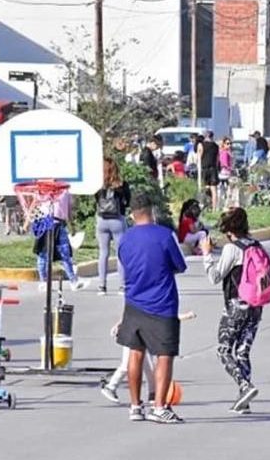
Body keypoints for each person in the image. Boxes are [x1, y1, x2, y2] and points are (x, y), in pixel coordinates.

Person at [116, 192, 188, 423]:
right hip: (162, 305)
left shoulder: (125, 239)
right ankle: (159, 406)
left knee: (135, 355)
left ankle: (135, 406)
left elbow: (126, 264)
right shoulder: (164, 235)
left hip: (134, 304)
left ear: (132, 215)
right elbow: (179, 265)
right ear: (152, 211)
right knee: (164, 356)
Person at [201, 208, 267, 414]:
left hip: (236, 306)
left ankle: (245, 386)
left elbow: (215, 277)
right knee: (242, 351)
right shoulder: (256, 245)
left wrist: (206, 253)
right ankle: (244, 400)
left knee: (223, 350)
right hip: (256, 306)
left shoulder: (232, 249)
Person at [34, 188, 85, 292]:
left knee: (65, 253)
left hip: (59, 224)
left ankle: (73, 281)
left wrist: (72, 226)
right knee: (43, 254)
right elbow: (35, 205)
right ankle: (43, 281)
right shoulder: (42, 190)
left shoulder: (64, 191)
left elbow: (68, 210)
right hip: (45, 224)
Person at [95, 158, 131, 295]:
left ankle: (102, 286)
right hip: (117, 219)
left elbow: (96, 199)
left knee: (103, 253)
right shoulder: (121, 185)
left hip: (102, 219)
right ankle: (122, 286)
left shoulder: (98, 184)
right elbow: (128, 201)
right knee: (120, 253)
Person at [198, 132, 221, 211]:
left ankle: (203, 205)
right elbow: (217, 159)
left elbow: (199, 157)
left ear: (205, 137)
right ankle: (214, 208)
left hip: (204, 168)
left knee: (203, 188)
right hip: (213, 169)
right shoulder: (216, 146)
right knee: (214, 190)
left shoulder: (201, 145)